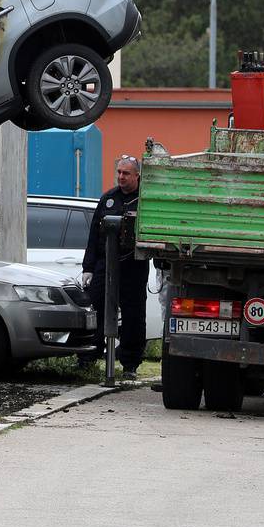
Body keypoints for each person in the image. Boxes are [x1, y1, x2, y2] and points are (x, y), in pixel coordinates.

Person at [81, 155, 147, 375]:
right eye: (119, 172)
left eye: (126, 173)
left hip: (133, 264)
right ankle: (88, 356)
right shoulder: (108, 198)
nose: (121, 177)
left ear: (137, 175)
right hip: (105, 264)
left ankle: (130, 363)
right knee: (94, 307)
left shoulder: (145, 200)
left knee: (133, 314)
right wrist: (88, 268)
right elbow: (93, 235)